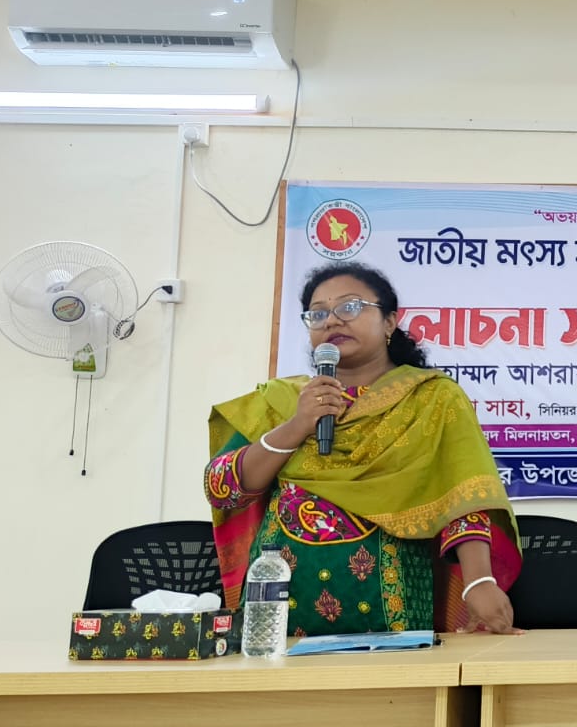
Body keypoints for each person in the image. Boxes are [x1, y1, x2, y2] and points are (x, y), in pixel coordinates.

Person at [205, 262, 523, 638]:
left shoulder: (431, 398)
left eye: (350, 307)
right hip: (275, 616)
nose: (332, 320)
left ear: (389, 322)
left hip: (391, 606)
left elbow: (464, 495)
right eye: (318, 313)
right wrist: (297, 425)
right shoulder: (282, 401)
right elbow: (223, 488)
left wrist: (478, 581)